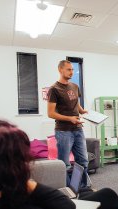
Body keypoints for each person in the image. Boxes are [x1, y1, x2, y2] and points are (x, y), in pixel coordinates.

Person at [47, 60, 89, 188]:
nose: (72, 72)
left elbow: (76, 102)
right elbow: (51, 113)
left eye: (72, 69)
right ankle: (67, 189)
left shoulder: (75, 86)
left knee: (83, 160)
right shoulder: (54, 89)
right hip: (63, 131)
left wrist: (83, 111)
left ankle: (80, 187)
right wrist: (69, 118)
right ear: (60, 70)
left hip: (78, 129)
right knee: (64, 163)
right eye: (68, 69)